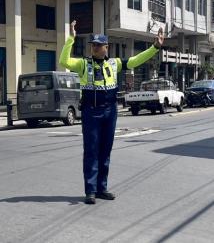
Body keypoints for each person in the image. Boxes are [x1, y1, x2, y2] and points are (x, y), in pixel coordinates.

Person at [59, 20, 164, 204]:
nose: (94, 48)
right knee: (91, 151)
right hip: (91, 111)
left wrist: (155, 47)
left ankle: (102, 188)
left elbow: (135, 60)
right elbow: (64, 61)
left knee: (105, 151)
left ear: (106, 47)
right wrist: (70, 39)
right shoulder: (84, 64)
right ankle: (90, 191)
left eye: (98, 45)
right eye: (93, 45)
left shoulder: (115, 63)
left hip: (110, 111)